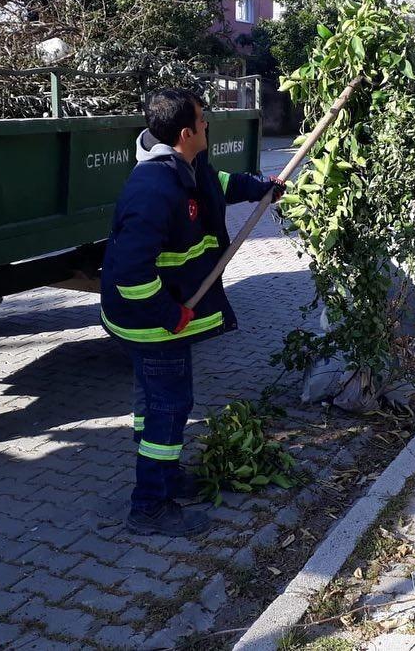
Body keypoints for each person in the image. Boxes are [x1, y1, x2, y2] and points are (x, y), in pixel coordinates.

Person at [101, 88, 284, 536]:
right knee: (169, 405)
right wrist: (168, 313)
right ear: (186, 133)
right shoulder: (154, 188)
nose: (207, 126)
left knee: (152, 401)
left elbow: (217, 186)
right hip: (149, 323)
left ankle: (165, 475)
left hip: (154, 320)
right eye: (203, 121)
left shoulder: (185, 168)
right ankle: (149, 507)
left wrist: (262, 188)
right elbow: (129, 272)